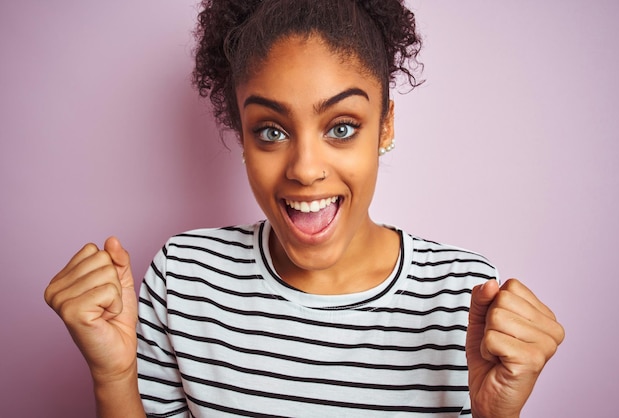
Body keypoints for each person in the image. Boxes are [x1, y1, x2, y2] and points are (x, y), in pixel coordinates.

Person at [44, 0, 565, 417]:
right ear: (243, 137)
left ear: (384, 125)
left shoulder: (464, 294)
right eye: (271, 131)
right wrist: (113, 378)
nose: (305, 168)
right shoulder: (184, 278)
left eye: (341, 127)